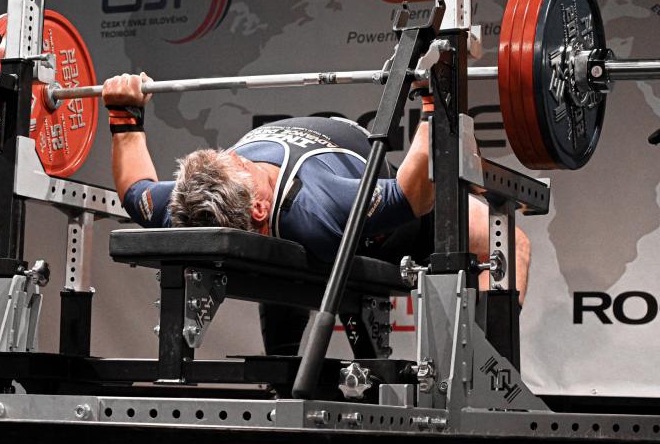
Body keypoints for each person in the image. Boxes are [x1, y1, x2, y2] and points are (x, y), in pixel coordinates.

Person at [103, 73, 530, 354]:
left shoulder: (184, 203)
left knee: (289, 257)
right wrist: (435, 98)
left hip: (345, 202)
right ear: (259, 205)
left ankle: (483, 363)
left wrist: (125, 115)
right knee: (507, 243)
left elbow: (135, 190)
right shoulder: (316, 207)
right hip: (395, 230)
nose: (235, 154)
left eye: (225, 154)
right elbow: (413, 197)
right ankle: (488, 375)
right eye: (241, 164)